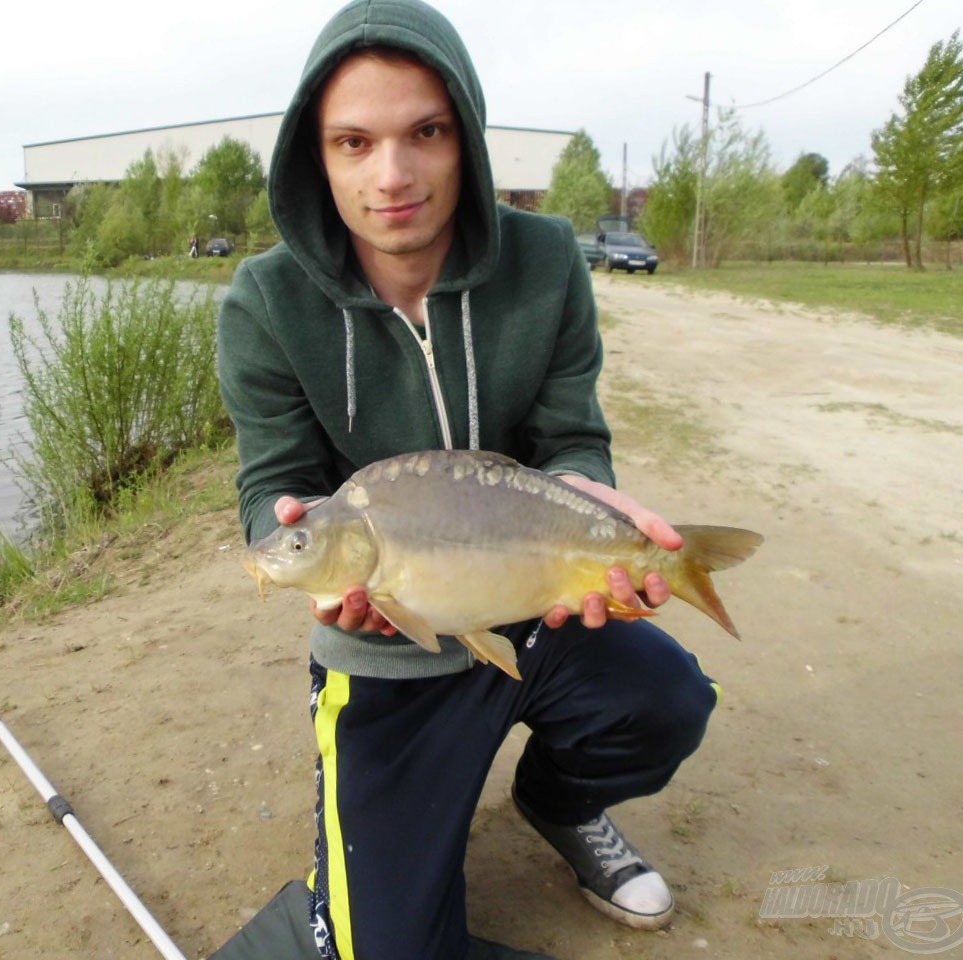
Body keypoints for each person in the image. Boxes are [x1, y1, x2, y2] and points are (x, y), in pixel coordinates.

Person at [217, 2, 718, 958]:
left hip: (536, 604)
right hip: (387, 651)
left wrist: (592, 500)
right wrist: (289, 532)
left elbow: (572, 439)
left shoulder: (548, 260)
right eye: (354, 142)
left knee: (672, 700)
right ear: (314, 157)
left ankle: (561, 804)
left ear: (467, 141)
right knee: (386, 948)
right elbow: (270, 485)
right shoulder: (265, 301)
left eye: (426, 133)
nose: (392, 175)